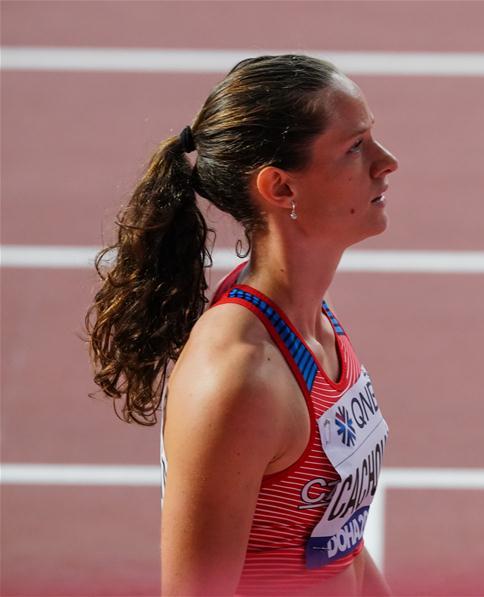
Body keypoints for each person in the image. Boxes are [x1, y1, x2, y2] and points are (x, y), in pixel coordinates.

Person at [84, 54, 398, 596]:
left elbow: (335, 538)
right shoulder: (239, 379)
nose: (386, 162)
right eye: (354, 148)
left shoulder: (310, 321)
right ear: (280, 188)